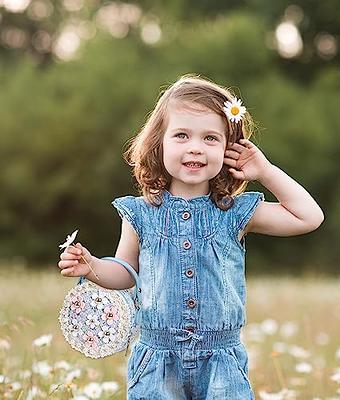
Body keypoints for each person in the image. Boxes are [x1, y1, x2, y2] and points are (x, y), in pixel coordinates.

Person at [58, 73, 324, 399]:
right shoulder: (140, 213)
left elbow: (308, 217)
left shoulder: (235, 212)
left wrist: (265, 171)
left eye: (210, 138)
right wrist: (92, 266)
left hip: (221, 361)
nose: (196, 147)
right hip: (156, 359)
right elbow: (126, 274)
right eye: (182, 135)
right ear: (160, 144)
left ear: (230, 148)